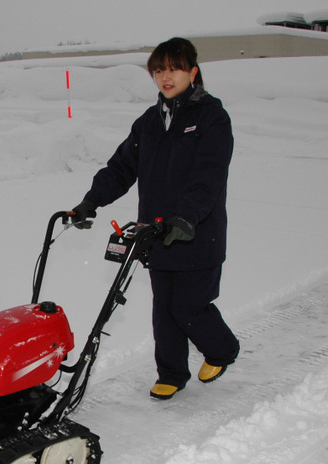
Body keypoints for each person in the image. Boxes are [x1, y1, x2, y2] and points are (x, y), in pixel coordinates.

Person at [71, 37, 239, 400]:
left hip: (197, 232)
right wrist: (91, 201)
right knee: (164, 311)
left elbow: (209, 175)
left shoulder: (211, 118)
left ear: (192, 72)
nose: (166, 76)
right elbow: (121, 168)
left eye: (175, 68)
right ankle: (172, 372)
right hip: (157, 233)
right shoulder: (149, 122)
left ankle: (222, 350)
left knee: (189, 307)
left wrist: (186, 217)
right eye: (159, 69)